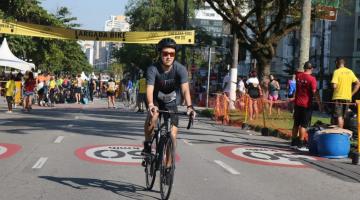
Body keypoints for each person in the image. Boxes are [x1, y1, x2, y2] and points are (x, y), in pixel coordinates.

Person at [142, 38, 196, 160]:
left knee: (173, 134)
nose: (168, 57)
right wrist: (151, 104)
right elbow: (149, 89)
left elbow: (185, 89)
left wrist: (189, 106)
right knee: (154, 116)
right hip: (155, 100)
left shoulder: (180, 69)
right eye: (165, 53)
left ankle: (168, 167)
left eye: (172, 54)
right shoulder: (153, 69)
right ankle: (147, 144)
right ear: (160, 54)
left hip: (171, 102)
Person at [291, 62, 321, 150]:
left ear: (304, 68)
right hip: (306, 104)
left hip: (297, 104)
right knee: (303, 125)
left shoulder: (298, 76)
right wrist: (319, 103)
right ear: (311, 69)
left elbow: (296, 72)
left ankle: (293, 142)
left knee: (296, 124)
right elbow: (314, 92)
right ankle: (300, 143)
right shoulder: (312, 79)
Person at [331, 57, 360, 128]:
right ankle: (341, 133)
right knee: (343, 117)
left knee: (339, 117)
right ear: (344, 63)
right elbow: (358, 83)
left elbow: (334, 86)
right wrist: (351, 94)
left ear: (337, 63)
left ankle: (339, 132)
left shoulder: (336, 71)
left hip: (338, 97)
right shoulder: (350, 72)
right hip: (347, 97)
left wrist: (333, 85)